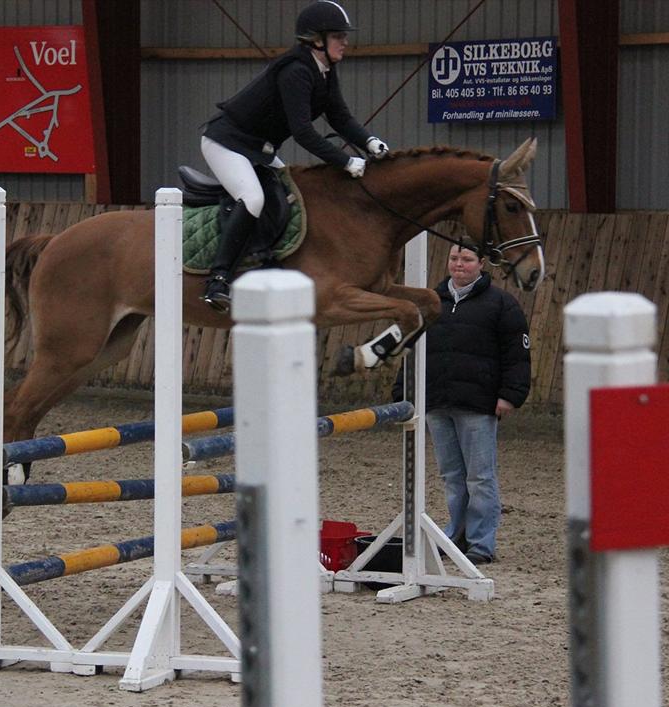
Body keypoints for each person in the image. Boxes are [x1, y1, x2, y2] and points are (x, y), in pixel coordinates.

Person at [197, 0, 389, 312]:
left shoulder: (324, 71)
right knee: (254, 199)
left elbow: (340, 118)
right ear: (317, 40)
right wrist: (344, 161)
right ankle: (217, 280)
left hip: (259, 148)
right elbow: (302, 132)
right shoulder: (297, 72)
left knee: (290, 196)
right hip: (227, 142)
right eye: (338, 36)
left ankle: (264, 260)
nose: (345, 42)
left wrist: (370, 142)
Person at [395, 238, 531, 565]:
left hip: (478, 404)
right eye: (455, 258)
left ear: (481, 264)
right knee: (452, 476)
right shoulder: (430, 302)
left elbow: (517, 355)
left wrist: (510, 396)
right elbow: (413, 347)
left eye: (467, 259)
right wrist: (403, 391)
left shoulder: (502, 304)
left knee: (480, 477)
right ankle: (456, 532)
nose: (460, 264)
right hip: (437, 402)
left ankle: (481, 543)